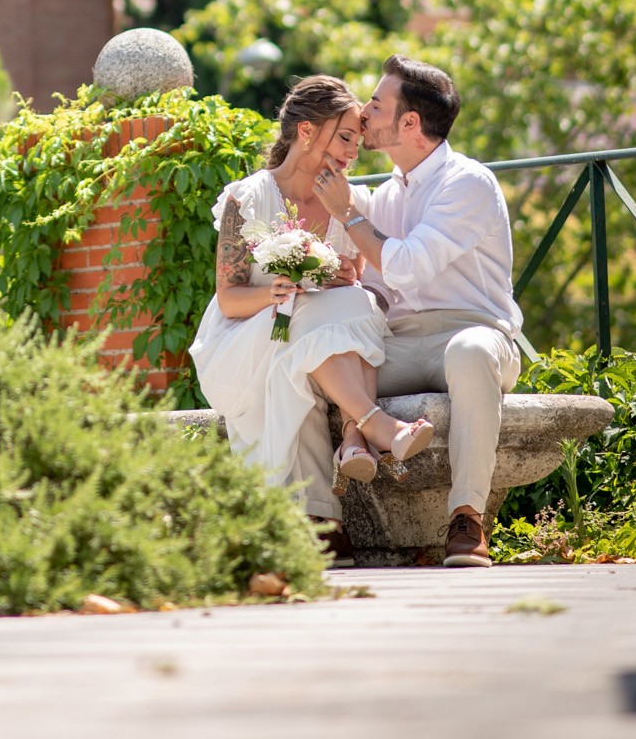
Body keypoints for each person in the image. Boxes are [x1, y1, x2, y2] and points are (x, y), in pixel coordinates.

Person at [189, 75, 434, 563]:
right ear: (305, 131)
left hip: (307, 343)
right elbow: (230, 298)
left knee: (355, 302)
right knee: (303, 312)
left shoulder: (351, 204)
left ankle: (328, 495)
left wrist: (347, 276)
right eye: (344, 138)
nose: (351, 154)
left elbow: (362, 294)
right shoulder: (248, 199)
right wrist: (273, 292)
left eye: (358, 144)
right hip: (241, 342)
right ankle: (365, 428)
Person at [313, 54, 522, 569]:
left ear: (410, 123)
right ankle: (323, 519)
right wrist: (348, 285)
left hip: (475, 333)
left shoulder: (467, 183)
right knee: (315, 362)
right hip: (402, 342)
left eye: (376, 104)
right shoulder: (384, 196)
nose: (364, 112)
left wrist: (346, 212)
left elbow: (406, 264)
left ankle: (467, 518)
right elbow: (383, 289)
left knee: (471, 352)